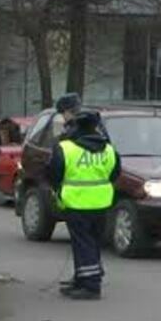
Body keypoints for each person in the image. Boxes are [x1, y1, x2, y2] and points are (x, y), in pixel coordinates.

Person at [47, 110, 121, 300]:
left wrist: (58, 190)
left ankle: (90, 285)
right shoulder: (108, 149)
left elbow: (54, 173)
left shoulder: (66, 148)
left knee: (82, 243)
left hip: (76, 203)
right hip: (102, 203)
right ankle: (83, 278)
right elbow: (115, 173)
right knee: (93, 242)